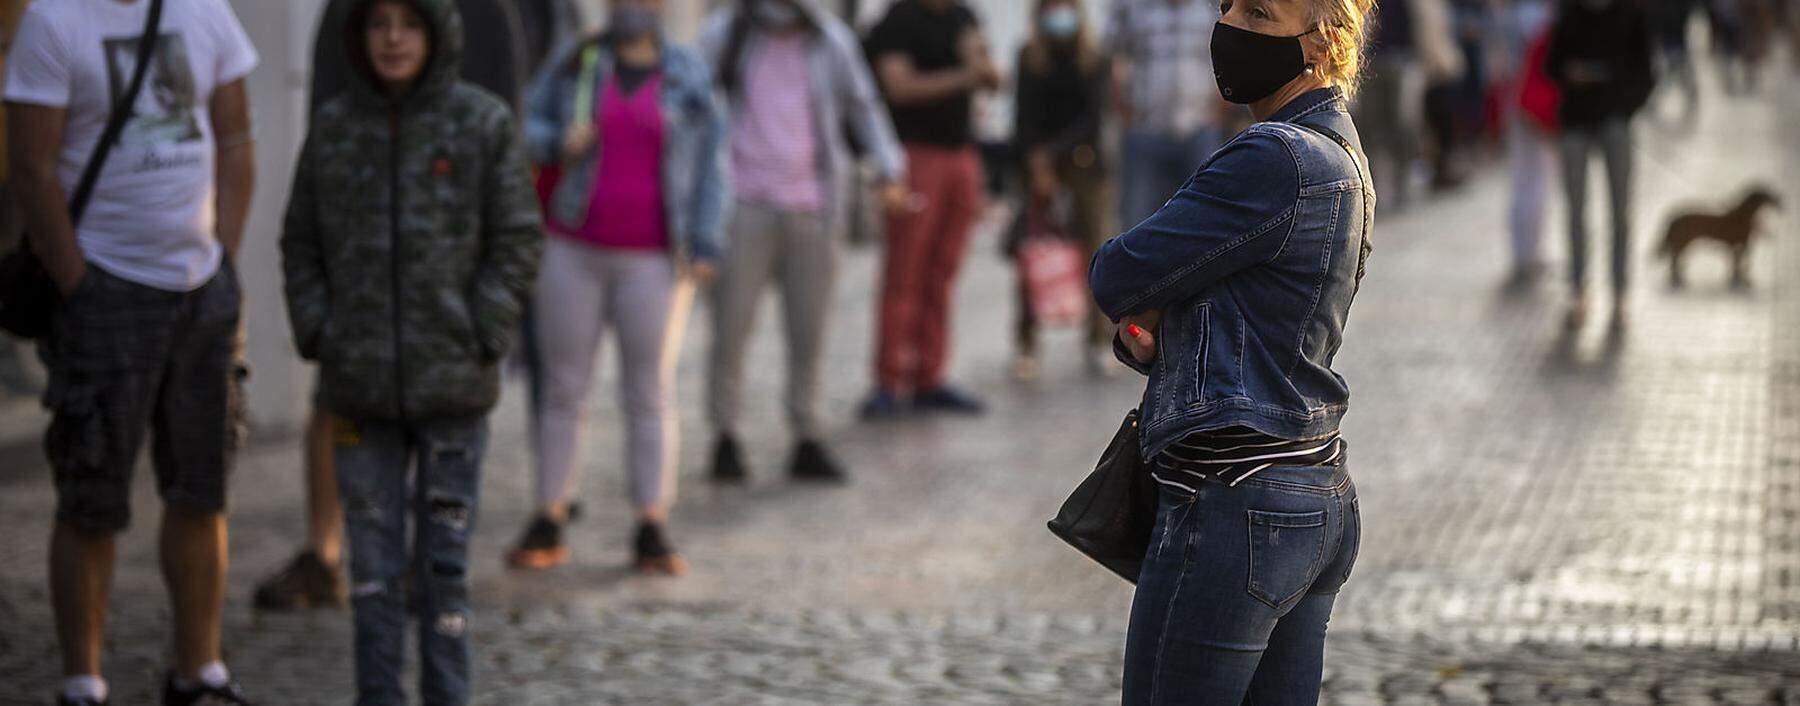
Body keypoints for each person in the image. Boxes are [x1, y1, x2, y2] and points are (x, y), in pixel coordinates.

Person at [1087, 0, 1373, 695]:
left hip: (1235, 500)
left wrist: (1155, 304)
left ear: (1321, 40)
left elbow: (1117, 272)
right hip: (1312, 491)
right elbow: (1263, 314)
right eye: (1229, 7)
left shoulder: (1272, 156)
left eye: (1260, 13)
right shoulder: (1342, 152)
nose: (1231, 27)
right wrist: (1165, 329)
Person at [281, 0, 542, 702]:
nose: (393, 39)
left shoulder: (480, 123)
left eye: (410, 23)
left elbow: (517, 237)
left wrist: (482, 330)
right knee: (372, 574)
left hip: (453, 390)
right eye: (377, 23)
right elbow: (300, 240)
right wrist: (321, 331)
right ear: (356, 34)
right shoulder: (336, 130)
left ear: (437, 32)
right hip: (360, 391)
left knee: (444, 572)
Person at [6, 0, 258, 703]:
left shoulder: (203, 11)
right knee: (90, 495)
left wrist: (225, 262)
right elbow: (30, 168)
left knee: (202, 488)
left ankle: (198, 671)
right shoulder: (55, 22)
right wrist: (79, 285)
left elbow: (236, 140)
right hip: (105, 288)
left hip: (201, 293)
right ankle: (83, 681)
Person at [506, 0, 727, 574]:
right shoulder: (575, 63)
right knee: (563, 387)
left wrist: (705, 240)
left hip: (653, 256)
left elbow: (711, 163)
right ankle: (549, 512)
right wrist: (559, 141)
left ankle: (651, 521)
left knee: (649, 389)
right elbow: (526, 127)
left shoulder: (687, 72)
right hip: (573, 245)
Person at [697, 0, 907, 483]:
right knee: (730, 328)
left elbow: (863, 106)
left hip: (813, 206)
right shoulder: (724, 34)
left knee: (809, 332)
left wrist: (888, 168)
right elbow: (688, 100)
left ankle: (805, 433)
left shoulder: (829, 39)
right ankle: (725, 434)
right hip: (742, 205)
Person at [860, 0, 1000, 419]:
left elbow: (990, 79)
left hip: (961, 156)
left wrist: (979, 64)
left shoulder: (964, 17)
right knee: (905, 273)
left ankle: (928, 376)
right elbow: (900, 86)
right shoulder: (897, 21)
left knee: (943, 271)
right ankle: (888, 380)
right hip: (915, 157)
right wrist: (965, 75)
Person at [1009, 0, 1110, 377]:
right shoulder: (1028, 57)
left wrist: (1050, 155)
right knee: (1032, 253)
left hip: (1084, 164)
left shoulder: (1095, 59)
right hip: (1037, 165)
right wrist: (1036, 161)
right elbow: (1023, 114)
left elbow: (1094, 118)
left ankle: (1098, 340)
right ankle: (1026, 341)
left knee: (1096, 249)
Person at [1545, 0, 1653, 328]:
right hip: (1576, 121)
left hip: (1615, 122)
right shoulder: (1569, 13)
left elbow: (1647, 74)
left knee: (1620, 212)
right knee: (1576, 211)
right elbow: (1551, 64)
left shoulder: (1631, 14)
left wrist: (1622, 105)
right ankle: (1579, 291)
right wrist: (1572, 73)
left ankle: (1620, 294)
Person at [1106, 0, 1227, 230]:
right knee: (1137, 222)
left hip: (1199, 131)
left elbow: (1227, 57)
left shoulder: (1210, 10)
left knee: (1205, 221)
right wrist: (1123, 109)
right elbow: (1114, 59)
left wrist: (1218, 111)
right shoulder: (1133, 9)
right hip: (1146, 133)